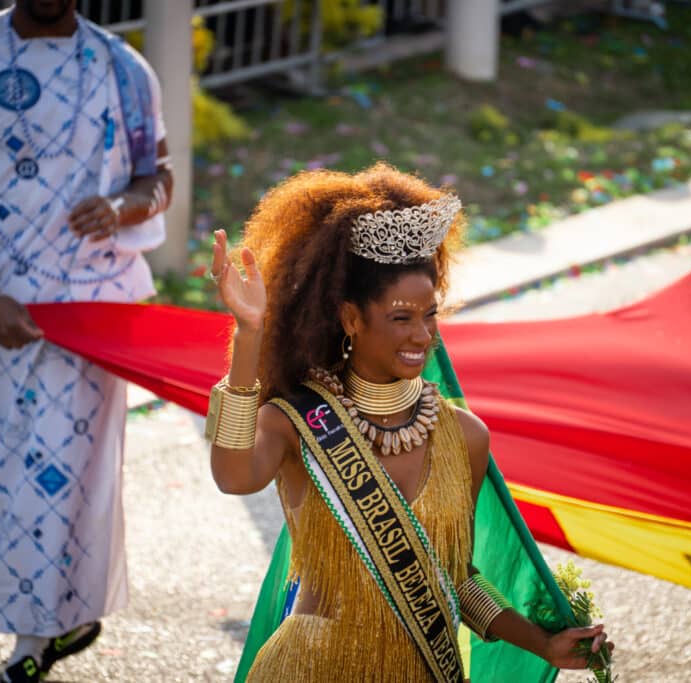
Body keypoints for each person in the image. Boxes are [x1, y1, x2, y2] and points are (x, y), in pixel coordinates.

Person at [207, 163, 613, 681]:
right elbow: (233, 476)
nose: (422, 335)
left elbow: (455, 578)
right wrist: (249, 334)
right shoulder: (298, 421)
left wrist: (544, 643)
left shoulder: (464, 435)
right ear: (351, 318)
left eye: (430, 314)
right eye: (401, 318)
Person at [0, 1, 173, 681]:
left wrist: (120, 208)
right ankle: (57, 620)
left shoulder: (123, 69)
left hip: (86, 312)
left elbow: (158, 177)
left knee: (64, 475)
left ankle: (36, 640)